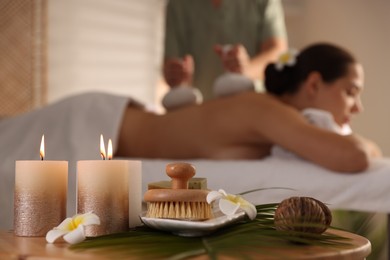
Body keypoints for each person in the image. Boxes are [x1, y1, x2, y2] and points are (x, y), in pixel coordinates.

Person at [118, 42, 381, 173]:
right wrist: (368, 146)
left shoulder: (271, 114)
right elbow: (354, 156)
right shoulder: (267, 111)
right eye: (351, 92)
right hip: (108, 125)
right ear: (313, 84)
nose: (357, 107)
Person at [163, 0, 288, 100]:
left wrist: (246, 68)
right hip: (200, 115)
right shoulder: (178, 4)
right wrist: (176, 74)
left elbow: (278, 53)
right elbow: (171, 62)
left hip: (252, 112)